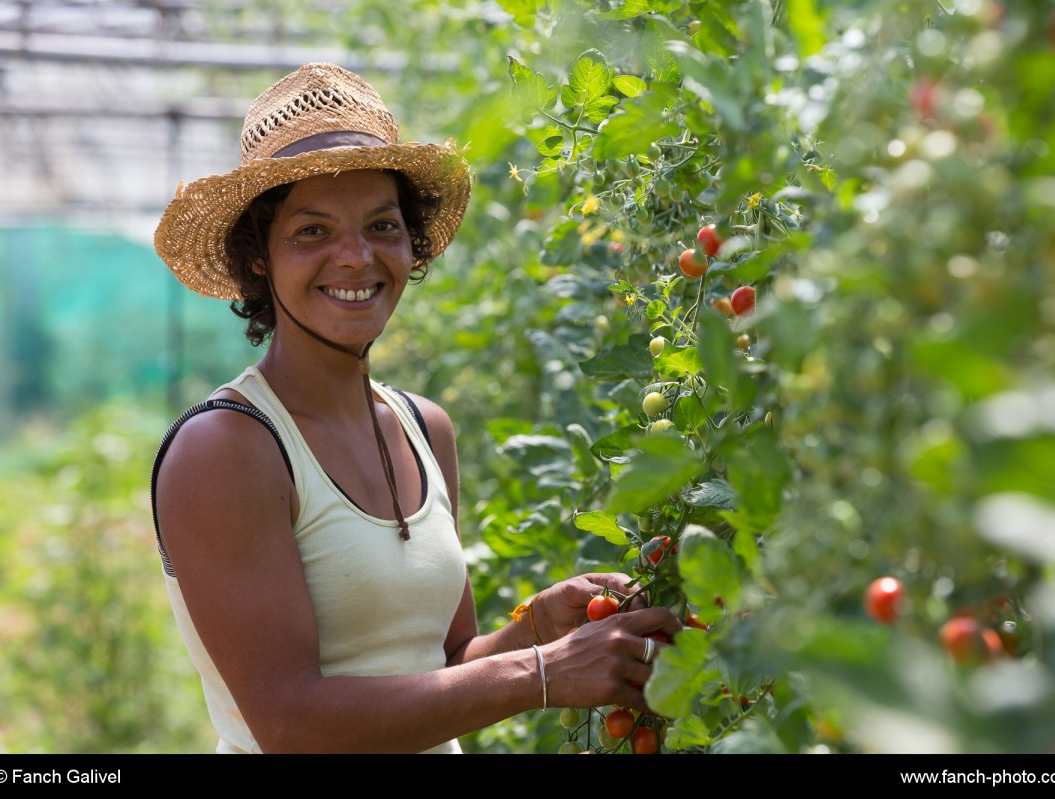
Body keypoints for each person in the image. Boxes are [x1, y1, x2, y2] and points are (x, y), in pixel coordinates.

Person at [150, 62, 680, 754]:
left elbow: (447, 663)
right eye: (312, 231)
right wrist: (543, 671)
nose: (356, 256)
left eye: (382, 225)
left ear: (412, 246)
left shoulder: (422, 426)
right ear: (258, 258)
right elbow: (289, 721)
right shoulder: (227, 448)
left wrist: (536, 629)